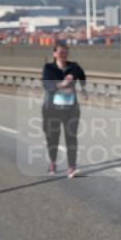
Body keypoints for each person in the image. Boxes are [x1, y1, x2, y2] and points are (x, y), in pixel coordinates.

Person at [41, 40, 86, 177]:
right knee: (52, 137)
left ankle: (71, 167)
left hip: (71, 109)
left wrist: (83, 88)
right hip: (51, 109)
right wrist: (63, 84)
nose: (63, 54)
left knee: (71, 138)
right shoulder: (48, 68)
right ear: (55, 54)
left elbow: (82, 76)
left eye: (65, 52)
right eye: (60, 52)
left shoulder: (74, 66)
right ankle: (53, 163)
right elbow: (47, 86)